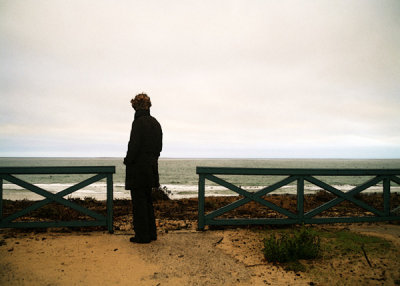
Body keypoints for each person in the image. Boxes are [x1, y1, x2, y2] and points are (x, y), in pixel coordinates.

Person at [124, 93, 162, 243]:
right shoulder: (156, 123)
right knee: (147, 201)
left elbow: (133, 146)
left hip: (138, 168)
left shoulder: (138, 123)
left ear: (135, 106)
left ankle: (142, 235)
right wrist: (152, 159)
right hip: (151, 167)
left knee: (139, 202)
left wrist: (128, 160)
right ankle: (151, 233)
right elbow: (159, 147)